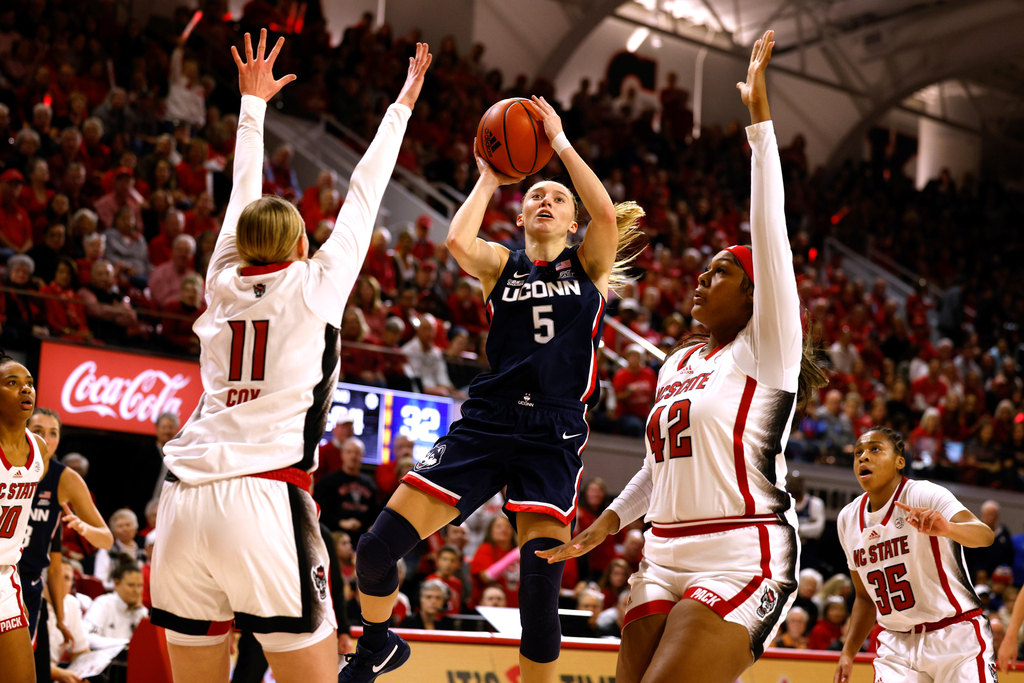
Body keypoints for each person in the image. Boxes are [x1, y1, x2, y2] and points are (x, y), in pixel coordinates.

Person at [536, 33, 828, 683]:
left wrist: (760, 127)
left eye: (721, 271)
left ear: (756, 296)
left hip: (740, 549)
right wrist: (603, 526)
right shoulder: (678, 362)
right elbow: (655, 467)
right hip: (661, 551)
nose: (701, 278)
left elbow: (770, 235)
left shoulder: (767, 349)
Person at [149, 32, 431, 683]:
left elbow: (242, 189)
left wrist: (252, 105)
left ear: (242, 241)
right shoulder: (317, 283)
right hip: (267, 496)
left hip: (185, 499)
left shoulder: (220, 277)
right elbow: (365, 191)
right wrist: (403, 103)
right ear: (303, 241)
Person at [346, 75, 646, 681]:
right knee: (374, 550)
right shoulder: (501, 266)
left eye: (557, 200)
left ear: (570, 223)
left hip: (552, 433)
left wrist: (559, 143)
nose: (545, 201)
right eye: (535, 195)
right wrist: (488, 176)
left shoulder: (587, 265)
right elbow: (458, 238)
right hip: (486, 422)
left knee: (538, 589)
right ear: (519, 217)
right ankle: (377, 640)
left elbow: (607, 214)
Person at [832, 427, 996, 683]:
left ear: (900, 462)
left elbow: (984, 535)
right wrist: (848, 651)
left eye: (875, 449)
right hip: (896, 643)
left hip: (955, 636)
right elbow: (865, 597)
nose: (863, 457)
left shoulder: (923, 494)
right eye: (858, 452)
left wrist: (948, 528)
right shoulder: (847, 518)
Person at [20, 408, 112, 677]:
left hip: (28, 584)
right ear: (26, 431)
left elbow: (105, 538)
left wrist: (84, 529)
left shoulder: (64, 479)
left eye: (53, 433)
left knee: (20, 669)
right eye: (38, 431)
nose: (45, 439)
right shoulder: (8, 466)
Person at [0, 350, 47, 683]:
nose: (26, 390)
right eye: (12, 383)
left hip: (5, 578)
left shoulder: (40, 449)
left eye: (29, 383)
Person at [83, 560, 148, 640]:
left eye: (140, 586)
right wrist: (125, 644)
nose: (137, 591)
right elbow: (88, 637)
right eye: (131, 585)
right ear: (116, 583)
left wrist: (139, 611)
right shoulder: (102, 603)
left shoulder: (141, 611)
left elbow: (145, 643)